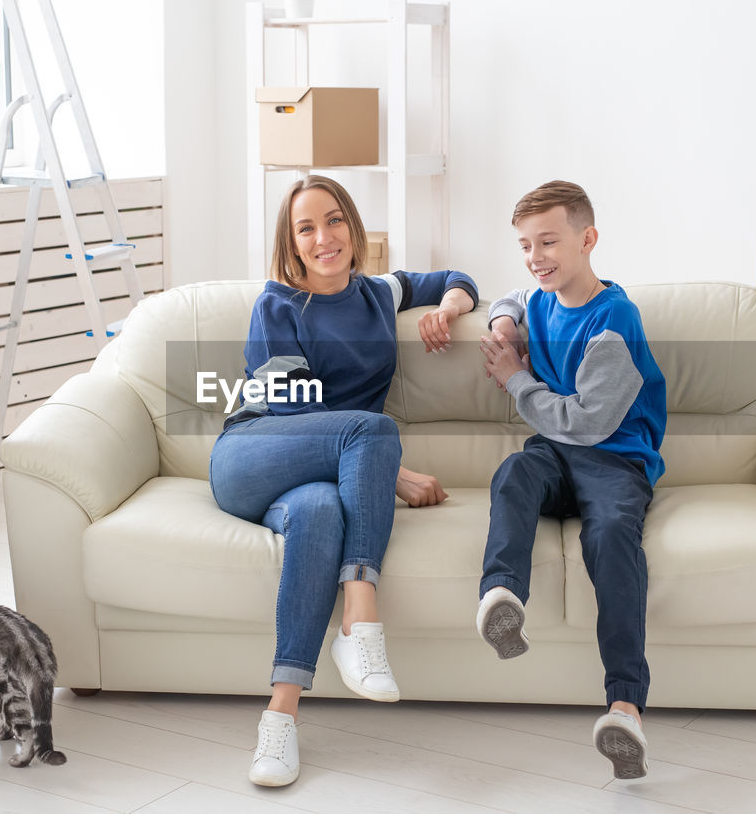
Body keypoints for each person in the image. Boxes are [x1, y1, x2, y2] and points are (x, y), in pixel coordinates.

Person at [209, 174, 478, 787]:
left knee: (321, 514)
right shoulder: (276, 305)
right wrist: (391, 476)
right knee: (373, 431)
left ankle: (280, 716)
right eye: (307, 228)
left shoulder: (380, 293)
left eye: (334, 221)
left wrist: (449, 307)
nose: (324, 238)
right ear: (292, 243)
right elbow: (291, 411)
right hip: (251, 455)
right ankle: (361, 617)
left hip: (314, 480)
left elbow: (457, 279)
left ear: (354, 228)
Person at [476, 180, 666, 780]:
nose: (537, 258)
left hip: (613, 458)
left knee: (610, 536)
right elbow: (511, 296)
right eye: (526, 246)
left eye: (549, 242)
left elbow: (586, 423)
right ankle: (502, 595)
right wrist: (506, 322)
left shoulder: (614, 322)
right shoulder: (541, 297)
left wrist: (513, 378)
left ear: (588, 240)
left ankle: (625, 705)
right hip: (554, 454)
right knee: (514, 473)